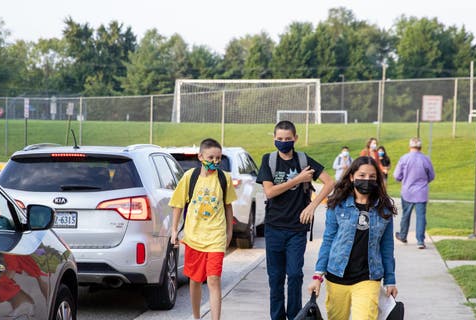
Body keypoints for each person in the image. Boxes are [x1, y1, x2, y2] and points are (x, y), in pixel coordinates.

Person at [256, 120, 334, 320]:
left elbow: (329, 182)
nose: (284, 142)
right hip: (274, 227)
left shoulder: (303, 159)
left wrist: (312, 205)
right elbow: (270, 191)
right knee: (275, 278)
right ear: (274, 138)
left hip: (297, 229)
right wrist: (298, 179)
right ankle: (277, 317)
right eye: (280, 139)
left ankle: (294, 316)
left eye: (288, 139)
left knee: (295, 275)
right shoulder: (269, 160)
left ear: (295, 139)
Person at [307, 156, 398, 320]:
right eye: (362, 175)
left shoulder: (384, 209)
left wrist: (390, 280)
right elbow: (328, 240)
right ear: (351, 177)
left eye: (372, 177)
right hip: (337, 276)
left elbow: (387, 246)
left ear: (377, 179)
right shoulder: (338, 205)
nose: (367, 180)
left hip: (369, 278)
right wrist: (317, 276)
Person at [169, 138, 237, 320]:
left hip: (216, 237)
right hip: (194, 237)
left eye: (218, 158)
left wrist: (229, 231)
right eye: (211, 157)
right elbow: (178, 204)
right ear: (200, 156)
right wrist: (174, 230)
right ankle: (197, 316)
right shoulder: (189, 177)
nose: (215, 162)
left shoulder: (224, 178)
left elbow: (228, 206)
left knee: (214, 279)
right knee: (195, 280)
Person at [393, 137, 435, 249]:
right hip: (421, 192)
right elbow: (431, 176)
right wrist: (424, 182)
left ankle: (402, 235)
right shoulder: (426, 159)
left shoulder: (404, 158)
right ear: (420, 147)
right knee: (421, 217)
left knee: (405, 215)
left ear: (410, 146)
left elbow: (397, 176)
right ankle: (420, 241)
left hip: (407, 191)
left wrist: (404, 178)